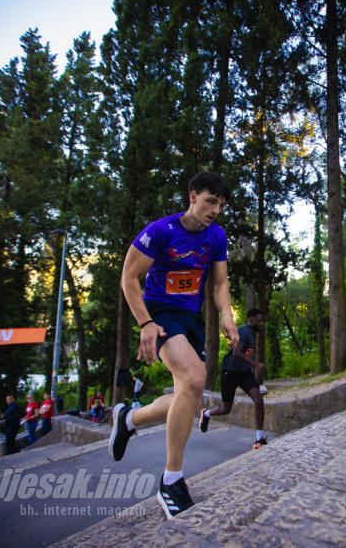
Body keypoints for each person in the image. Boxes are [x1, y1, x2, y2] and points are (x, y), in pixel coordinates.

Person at [109, 171, 239, 520]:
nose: (215, 210)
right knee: (196, 377)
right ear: (192, 196)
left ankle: (129, 419)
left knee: (190, 397)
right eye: (210, 201)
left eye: (220, 205)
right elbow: (129, 277)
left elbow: (220, 284)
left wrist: (227, 314)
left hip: (190, 319)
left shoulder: (216, 237)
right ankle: (171, 480)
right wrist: (146, 323)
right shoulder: (161, 232)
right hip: (160, 311)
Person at [200, 308, 268, 448]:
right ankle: (206, 413)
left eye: (263, 321)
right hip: (230, 372)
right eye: (260, 321)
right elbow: (236, 353)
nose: (262, 324)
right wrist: (255, 365)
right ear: (252, 320)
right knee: (226, 409)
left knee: (258, 400)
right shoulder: (244, 331)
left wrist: (252, 367)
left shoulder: (252, 334)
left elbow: (245, 354)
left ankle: (259, 438)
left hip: (243, 373)